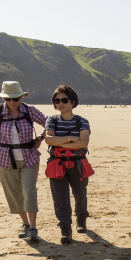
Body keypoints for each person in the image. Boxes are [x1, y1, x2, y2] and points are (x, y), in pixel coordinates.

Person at [0, 81, 47, 242]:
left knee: (29, 191)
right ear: (4, 98)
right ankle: (25, 223)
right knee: (14, 193)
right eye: (8, 99)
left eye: (16, 98)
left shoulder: (29, 110)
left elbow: (49, 123)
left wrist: (40, 138)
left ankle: (33, 227)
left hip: (29, 157)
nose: (12, 102)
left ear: (21, 97)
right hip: (5, 159)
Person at [44, 85, 92, 244]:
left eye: (64, 100)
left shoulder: (82, 120)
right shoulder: (51, 120)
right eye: (57, 101)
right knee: (60, 198)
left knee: (80, 195)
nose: (60, 103)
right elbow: (48, 140)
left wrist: (60, 142)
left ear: (73, 101)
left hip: (78, 163)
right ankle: (65, 228)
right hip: (57, 164)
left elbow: (84, 143)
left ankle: (81, 220)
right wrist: (71, 138)